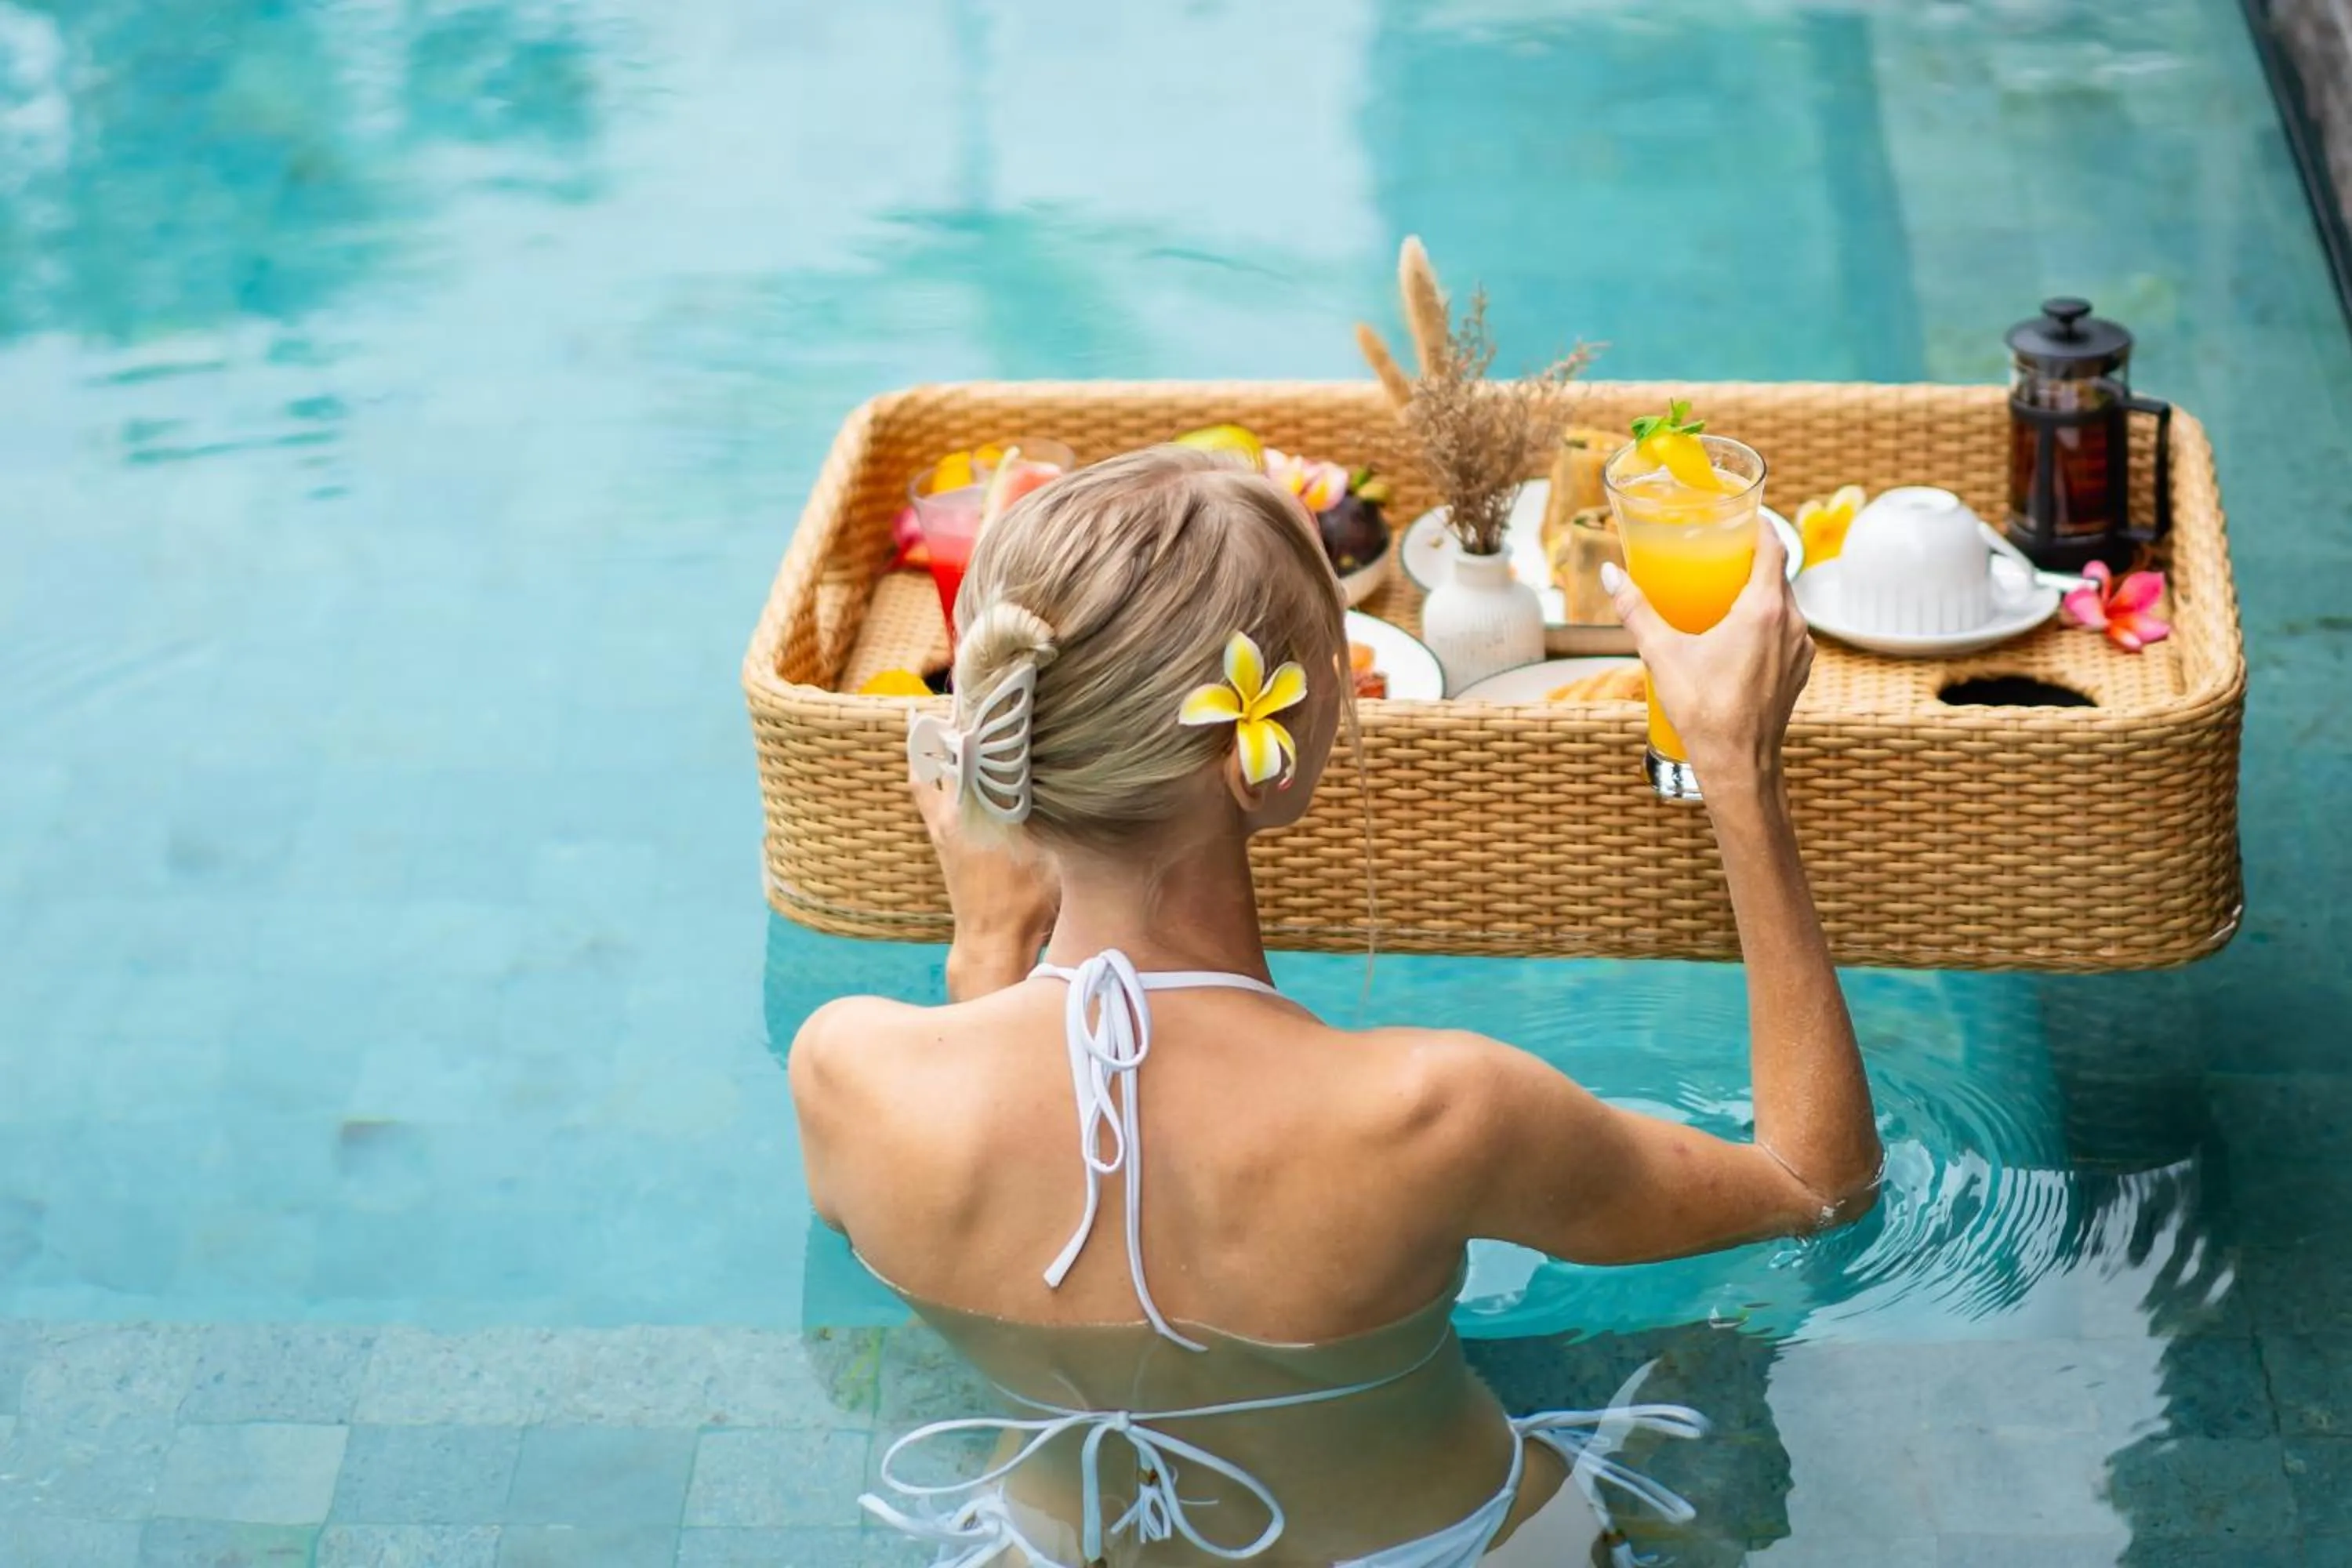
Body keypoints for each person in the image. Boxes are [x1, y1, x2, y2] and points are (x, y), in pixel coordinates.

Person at [789, 445, 1882, 1567]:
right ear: (1258, 762)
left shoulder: (849, 1077)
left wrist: (988, 946)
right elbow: (1815, 1187)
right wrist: (1740, 771)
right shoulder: (1435, 1111)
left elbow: (1062, 1177)